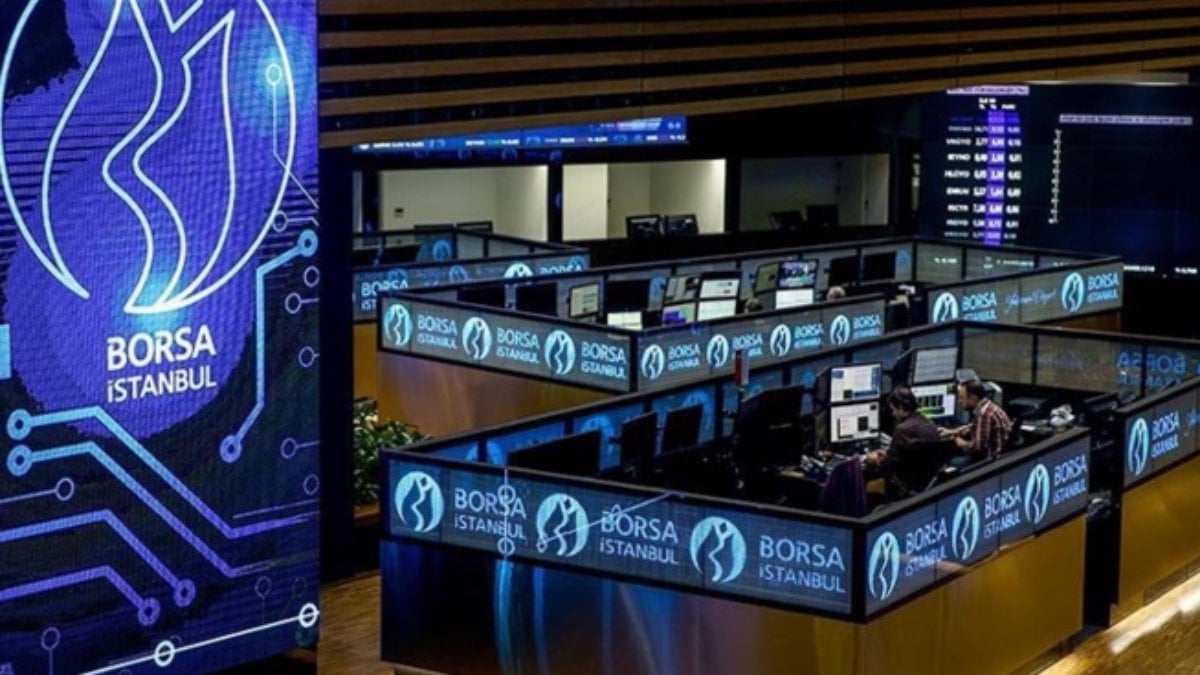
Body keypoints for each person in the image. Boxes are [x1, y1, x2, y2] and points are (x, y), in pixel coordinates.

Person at [867, 387, 941, 496]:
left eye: (893, 410)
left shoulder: (902, 430)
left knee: (866, 486)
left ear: (901, 408)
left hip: (904, 486)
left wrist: (876, 460)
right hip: (926, 485)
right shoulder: (930, 423)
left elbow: (888, 467)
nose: (893, 414)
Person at [946, 379, 1013, 464]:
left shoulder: (984, 414)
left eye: (962, 398)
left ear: (973, 398)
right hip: (1000, 454)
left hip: (990, 460)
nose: (959, 402)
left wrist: (962, 443)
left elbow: (978, 447)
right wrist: (954, 431)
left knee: (951, 462)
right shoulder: (989, 406)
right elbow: (974, 426)